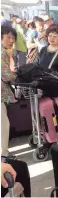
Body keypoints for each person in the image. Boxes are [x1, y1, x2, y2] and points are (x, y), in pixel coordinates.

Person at [1, 26, 17, 156]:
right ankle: (3, 155)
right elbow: (5, 75)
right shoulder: (3, 53)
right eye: (8, 37)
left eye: (13, 38)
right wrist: (16, 75)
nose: (11, 40)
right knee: (3, 125)